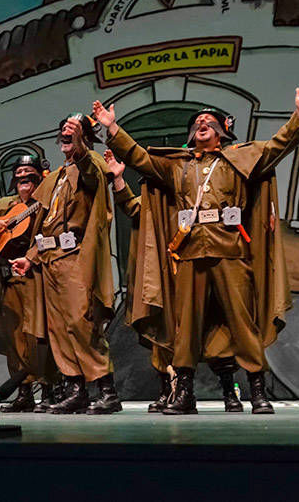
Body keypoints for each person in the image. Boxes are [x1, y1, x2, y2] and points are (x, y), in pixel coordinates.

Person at [95, 81, 299, 414]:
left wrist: (298, 116)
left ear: (222, 131)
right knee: (186, 325)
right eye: (197, 122)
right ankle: (184, 391)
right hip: (190, 253)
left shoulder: (239, 159)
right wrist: (113, 128)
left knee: (242, 322)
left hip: (230, 250)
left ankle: (257, 390)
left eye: (208, 122)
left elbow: (277, 147)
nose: (201, 123)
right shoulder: (178, 166)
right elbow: (139, 157)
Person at [104, 149, 243, 413]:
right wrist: (119, 179)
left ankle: (229, 392)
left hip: (199, 265)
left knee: (215, 328)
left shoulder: (195, 191)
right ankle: (169, 391)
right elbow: (134, 208)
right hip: (169, 271)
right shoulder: (157, 196)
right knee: (166, 331)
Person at [10, 115, 119, 415]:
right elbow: (47, 223)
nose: (66, 133)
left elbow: (90, 173)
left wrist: (81, 141)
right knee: (58, 329)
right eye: (64, 130)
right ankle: (76, 390)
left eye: (74, 130)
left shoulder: (91, 163)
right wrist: (30, 257)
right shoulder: (56, 177)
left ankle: (107, 391)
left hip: (76, 258)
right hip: (50, 260)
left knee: (82, 325)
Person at [0, 155, 58, 413]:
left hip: (38, 276)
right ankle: (23, 392)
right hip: (8, 278)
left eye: (28, 173)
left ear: (38, 177)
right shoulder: (6, 204)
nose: (23, 177)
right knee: (14, 337)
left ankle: (48, 389)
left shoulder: (46, 204)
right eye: (19, 173)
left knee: (39, 335)